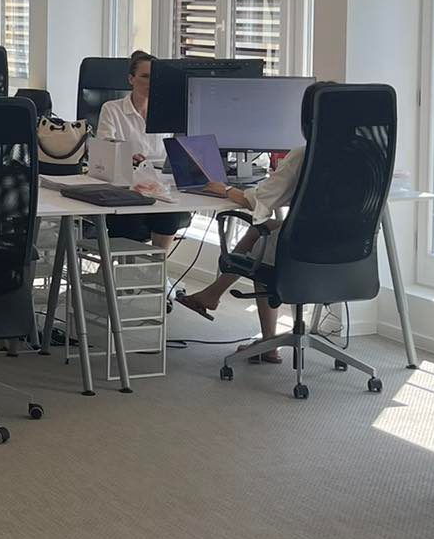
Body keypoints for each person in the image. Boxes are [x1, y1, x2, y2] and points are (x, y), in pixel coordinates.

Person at [172, 132, 308, 362]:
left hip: (303, 247)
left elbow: (256, 200)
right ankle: (213, 295)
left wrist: (225, 189)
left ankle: (267, 341)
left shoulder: (304, 155)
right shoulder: (367, 154)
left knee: (262, 248)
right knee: (259, 230)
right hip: (352, 253)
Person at [93, 51, 192, 253]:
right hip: (125, 187)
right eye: (145, 76)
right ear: (131, 79)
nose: (150, 82)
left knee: (170, 215)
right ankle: (117, 268)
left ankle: (158, 266)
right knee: (130, 220)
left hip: (160, 187)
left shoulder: (168, 111)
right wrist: (124, 156)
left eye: (154, 77)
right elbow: (104, 147)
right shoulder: (112, 109)